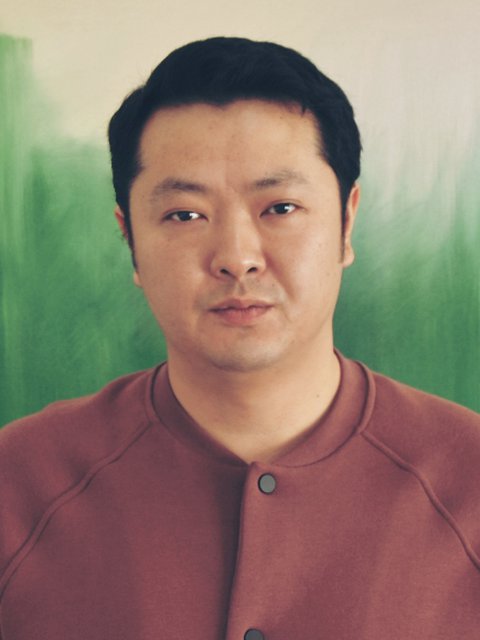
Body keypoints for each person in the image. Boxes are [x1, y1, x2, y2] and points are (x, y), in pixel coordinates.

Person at [0, 36, 479, 640]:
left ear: (346, 222)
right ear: (131, 240)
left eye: (279, 208)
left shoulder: (469, 480)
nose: (236, 256)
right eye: (184, 215)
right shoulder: (17, 485)